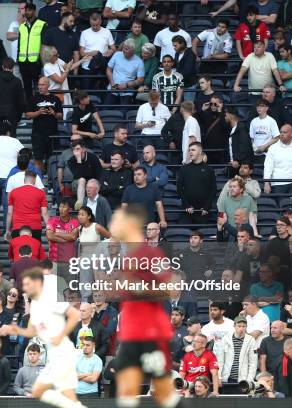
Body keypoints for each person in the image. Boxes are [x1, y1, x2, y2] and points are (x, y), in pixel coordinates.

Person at [107, 205, 182, 408]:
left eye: (117, 219)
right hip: (133, 332)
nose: (113, 224)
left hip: (149, 333)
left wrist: (140, 289)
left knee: (164, 392)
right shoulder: (130, 254)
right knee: (126, 389)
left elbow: (173, 287)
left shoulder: (149, 253)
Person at [0, 268, 82, 408]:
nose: (25, 288)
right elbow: (33, 331)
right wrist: (16, 329)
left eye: (27, 284)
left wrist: (60, 336)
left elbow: (74, 315)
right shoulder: (36, 306)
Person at [25, 77, 62, 173]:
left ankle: (51, 182)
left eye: (42, 85)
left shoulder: (55, 99)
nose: (40, 87)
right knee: (38, 159)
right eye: (39, 85)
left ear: (48, 86)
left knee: (52, 159)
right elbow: (27, 115)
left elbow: (61, 116)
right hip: (38, 134)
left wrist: (53, 113)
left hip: (52, 134)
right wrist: (38, 113)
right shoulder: (33, 98)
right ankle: (39, 181)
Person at [176, 142, 216, 224]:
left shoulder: (209, 170)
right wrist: (186, 205)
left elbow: (213, 189)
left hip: (203, 212)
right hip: (186, 212)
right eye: (189, 150)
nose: (190, 152)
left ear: (200, 152)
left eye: (193, 150)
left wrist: (207, 206)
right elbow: (179, 189)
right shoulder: (184, 169)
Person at [263, 124, 292, 195]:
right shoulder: (272, 148)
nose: (281, 134)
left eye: (285, 132)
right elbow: (268, 166)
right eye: (281, 132)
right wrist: (266, 183)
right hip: (277, 184)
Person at [6, 171, 49, 241]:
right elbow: (45, 213)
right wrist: (49, 227)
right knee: (35, 249)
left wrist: (8, 230)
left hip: (17, 227)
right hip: (35, 227)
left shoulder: (13, 192)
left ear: (24, 180)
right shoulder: (41, 193)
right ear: (35, 180)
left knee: (17, 250)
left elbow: (9, 213)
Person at [17, 3, 47, 99]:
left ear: (34, 11)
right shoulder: (22, 26)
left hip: (35, 61)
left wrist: (41, 61)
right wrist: (18, 58)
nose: (27, 12)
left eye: (29, 10)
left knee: (38, 86)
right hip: (23, 61)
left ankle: (38, 105)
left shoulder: (42, 24)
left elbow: (44, 44)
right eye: (26, 10)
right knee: (26, 87)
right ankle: (29, 107)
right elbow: (19, 44)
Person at [220, 315, 258, 383]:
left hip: (243, 379)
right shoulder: (225, 339)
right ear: (234, 326)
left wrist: (249, 380)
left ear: (246, 327)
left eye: (243, 326)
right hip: (226, 378)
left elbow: (253, 362)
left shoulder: (251, 340)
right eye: (239, 326)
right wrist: (219, 376)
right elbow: (220, 360)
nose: (241, 328)